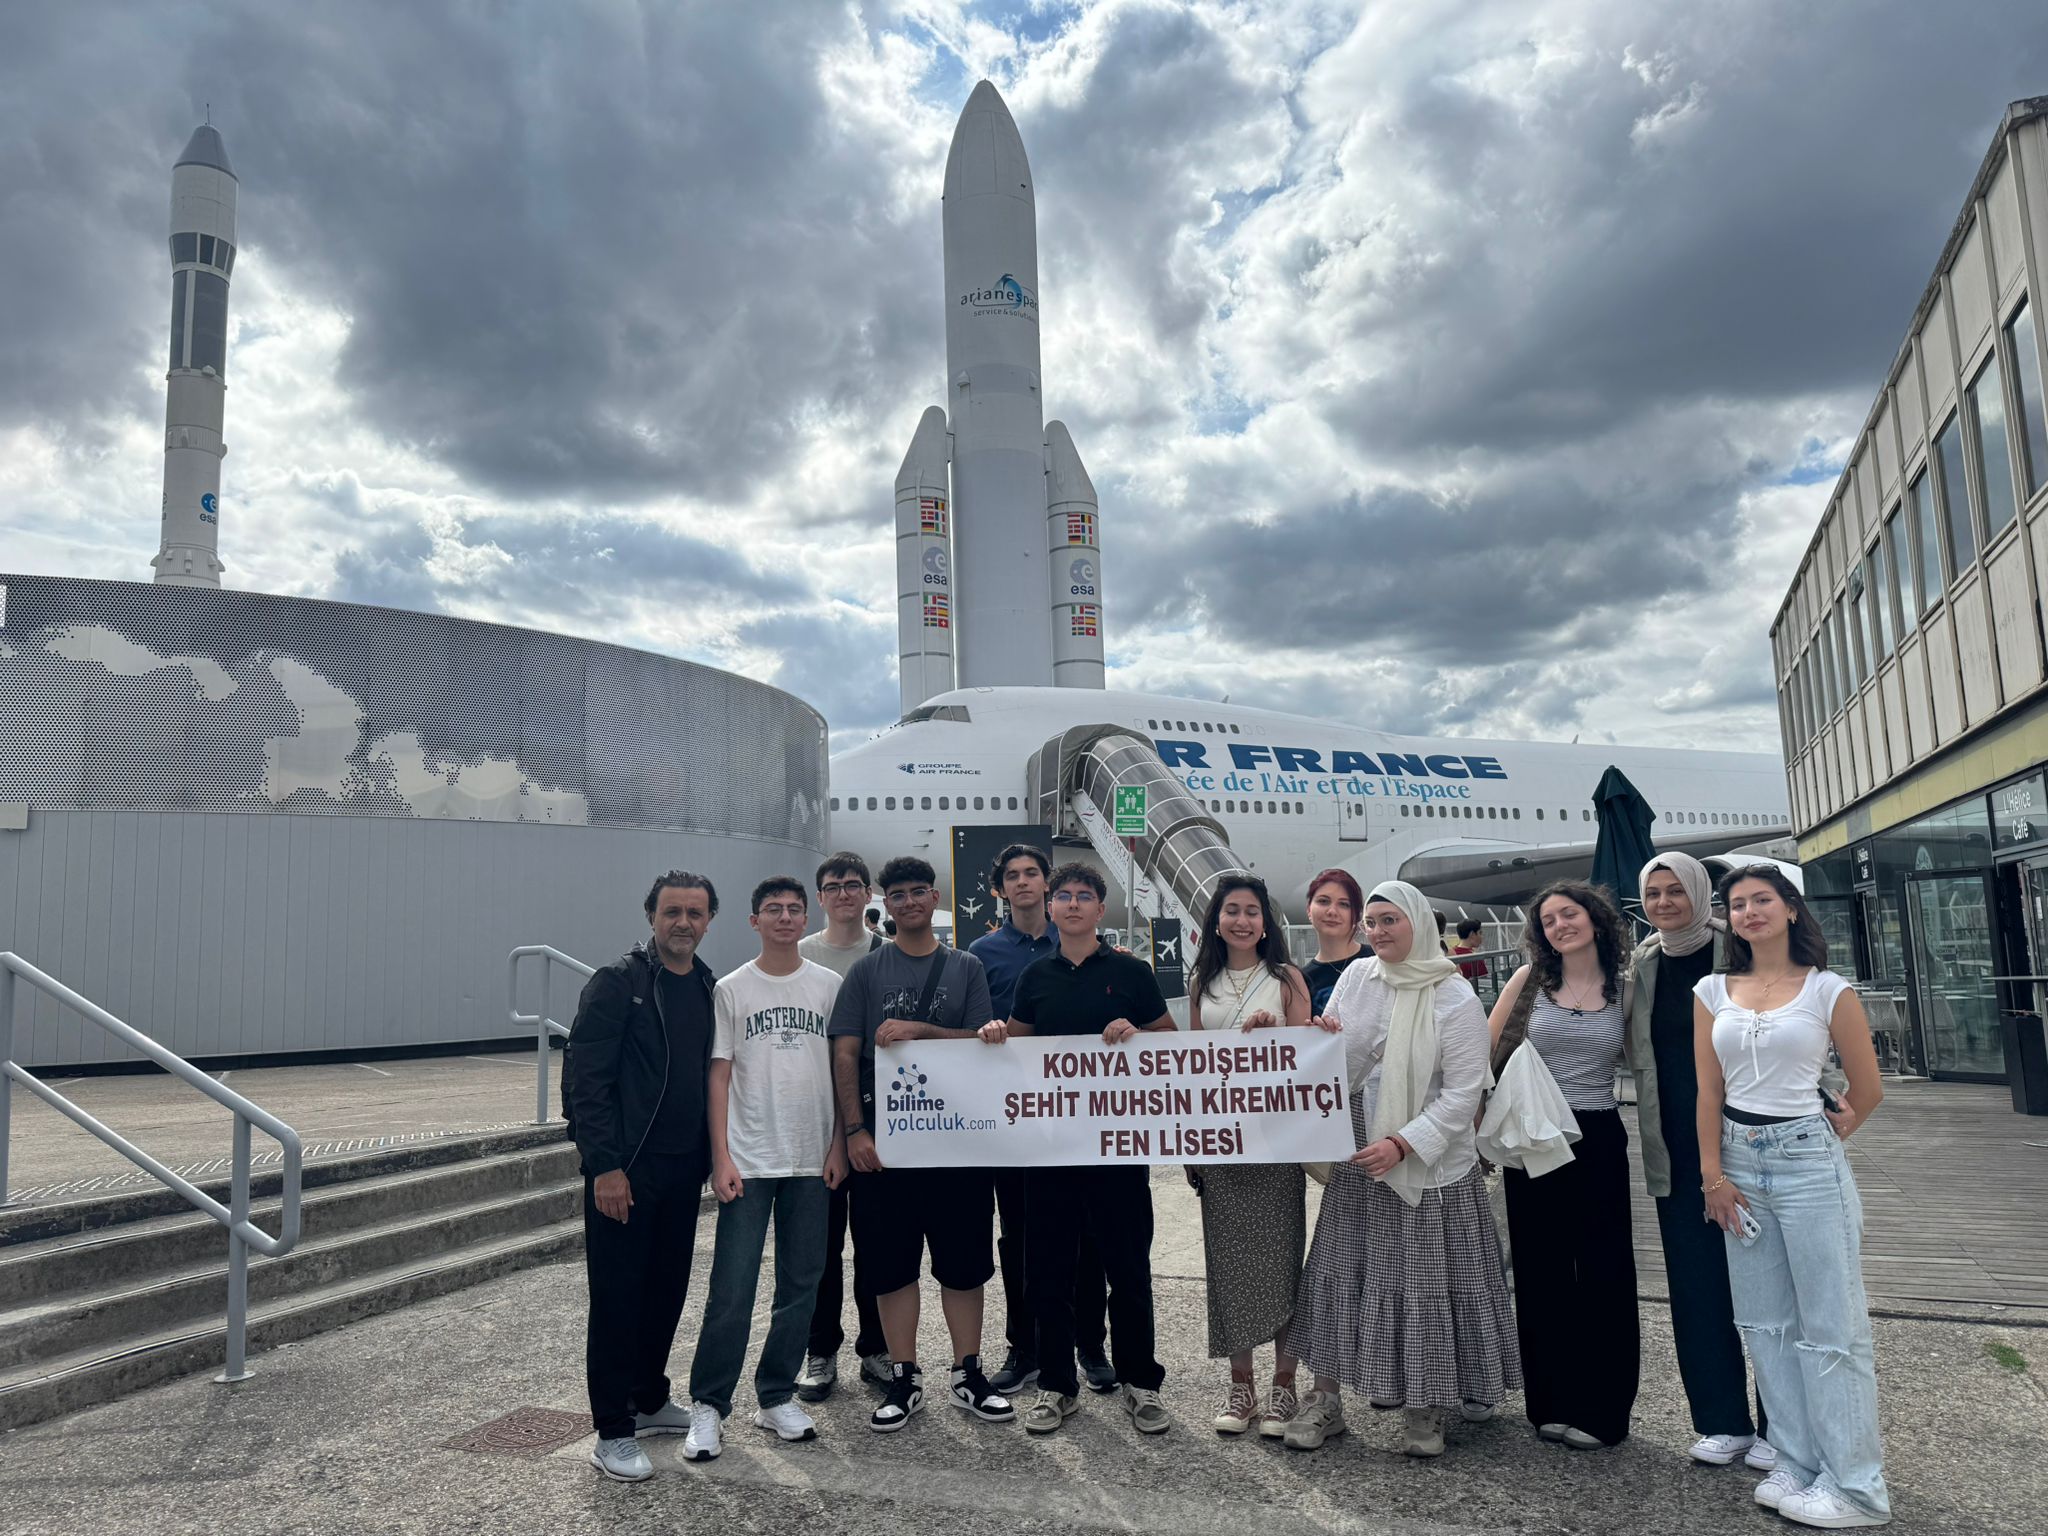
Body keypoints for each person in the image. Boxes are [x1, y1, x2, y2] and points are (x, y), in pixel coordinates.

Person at [1288, 880, 1520, 1457]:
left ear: (1417, 922)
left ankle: (1426, 1406)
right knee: (1342, 1276)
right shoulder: (1355, 979)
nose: (1378, 931)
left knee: (1423, 1285)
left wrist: (1406, 1143)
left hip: (1429, 1162)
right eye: (1371, 922)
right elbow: (1337, 1061)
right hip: (1362, 1153)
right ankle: (1326, 1400)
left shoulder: (1453, 996)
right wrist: (1320, 1039)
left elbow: (1465, 1092)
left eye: (1390, 920)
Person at [1696, 866, 1890, 1528]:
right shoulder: (1712, 989)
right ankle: (1799, 1464)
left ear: (1789, 911)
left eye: (1761, 901)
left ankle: (1856, 1488)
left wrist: (1838, 1127)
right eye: (1737, 904)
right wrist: (1713, 1178)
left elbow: (1867, 1088)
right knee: (1766, 1325)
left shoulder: (1829, 991)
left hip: (1807, 1163)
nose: (1748, 911)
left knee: (1832, 1330)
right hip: (1739, 1166)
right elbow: (1708, 1092)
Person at [978, 862, 1175, 1437]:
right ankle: (1058, 1387)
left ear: (1100, 908)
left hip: (1118, 1149)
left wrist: (1135, 1034)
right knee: (1049, 1271)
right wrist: (994, 1034)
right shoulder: (1035, 976)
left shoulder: (1132, 973)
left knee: (1128, 1270)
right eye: (1062, 895)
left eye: (1083, 896)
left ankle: (1141, 1382)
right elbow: (1017, 1047)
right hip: (1051, 1149)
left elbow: (1168, 1040)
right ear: (1053, 905)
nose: (1070, 904)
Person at [828, 856, 1013, 1432]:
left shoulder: (966, 967)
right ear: (886, 903)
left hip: (956, 1146)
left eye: (918, 892)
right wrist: (855, 1131)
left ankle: (968, 1372)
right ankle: (904, 1375)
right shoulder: (865, 972)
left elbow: (982, 1043)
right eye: (898, 894)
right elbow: (844, 1054)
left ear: (935, 899)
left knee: (964, 1267)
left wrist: (922, 1030)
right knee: (891, 1267)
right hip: (885, 1148)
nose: (908, 902)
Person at [682, 878, 848, 1460]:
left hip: (811, 1159)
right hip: (749, 1160)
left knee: (801, 1284)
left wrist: (837, 1147)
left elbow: (839, 1070)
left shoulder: (829, 986)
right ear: (753, 921)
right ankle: (708, 1403)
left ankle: (776, 1393)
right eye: (772, 910)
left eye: (793, 909)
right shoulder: (731, 989)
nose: (784, 917)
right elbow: (718, 1074)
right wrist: (720, 1155)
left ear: (806, 918)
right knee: (732, 1287)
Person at [567, 871, 720, 1483]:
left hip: (683, 1170)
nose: (683, 922)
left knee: (666, 1290)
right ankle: (612, 1430)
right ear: (651, 916)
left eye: (695, 912)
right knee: (618, 1298)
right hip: (625, 1172)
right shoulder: (619, 984)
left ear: (710, 920)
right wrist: (604, 1166)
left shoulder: (708, 984)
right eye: (672, 911)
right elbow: (585, 1082)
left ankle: (650, 1397)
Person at [1624, 853, 1774, 1472]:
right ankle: (1720, 1420)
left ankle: (1780, 1425)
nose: (1663, 903)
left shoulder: (1739, 951)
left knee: (1765, 1291)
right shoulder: (1643, 965)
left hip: (1746, 1143)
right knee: (1695, 1288)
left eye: (1674, 891)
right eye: (1652, 893)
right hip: (1675, 1150)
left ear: (1698, 892)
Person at [1487, 880, 1639, 1450]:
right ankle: (1548, 1401)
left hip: (1596, 1132)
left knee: (1604, 1272)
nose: (1559, 926)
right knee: (1541, 1269)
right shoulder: (1529, 982)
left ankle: (1604, 1410)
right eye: (1548, 921)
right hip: (1534, 1136)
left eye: (1568, 914)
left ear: (1595, 920)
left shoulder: (1626, 988)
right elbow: (1485, 1045)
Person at [969, 844, 1116, 1397]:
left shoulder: (1081, 943)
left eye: (1034, 873)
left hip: (1085, 1113)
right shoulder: (981, 953)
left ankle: (1091, 1344)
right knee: (1022, 1238)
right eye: (1014, 876)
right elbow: (978, 1028)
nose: (1025, 882)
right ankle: (1024, 1346)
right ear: (1000, 889)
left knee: (1089, 1235)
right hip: (1017, 1116)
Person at [1187, 875, 1313, 1438]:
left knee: (1283, 1260)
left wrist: (1279, 1030)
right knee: (1229, 1262)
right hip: (1219, 1142)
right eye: (1232, 910)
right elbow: (1188, 1066)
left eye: (1252, 911)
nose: (1242, 920)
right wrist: (1190, 1142)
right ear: (1217, 920)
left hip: (1276, 1139)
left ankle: (1284, 1386)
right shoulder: (1202, 983)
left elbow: (1310, 1052)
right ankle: (1243, 1386)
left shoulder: (1286, 978)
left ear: (1267, 922)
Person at [795, 853, 887, 1402]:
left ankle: (875, 1348)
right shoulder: (799, 952)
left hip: (873, 1120)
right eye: (834, 886)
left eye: (854, 885)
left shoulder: (885, 953)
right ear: (821, 896)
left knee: (876, 1242)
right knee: (819, 1248)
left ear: (868, 892)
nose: (845, 894)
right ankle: (820, 1349)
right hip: (813, 1122)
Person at [1300, 869, 1367, 1014]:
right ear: (1308, 910)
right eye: (1323, 901)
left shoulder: (1376, 960)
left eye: (1344, 904)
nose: (1332, 911)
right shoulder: (1301, 980)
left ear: (1357, 914)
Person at [1449, 918, 1488, 983]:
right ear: (1472, 934)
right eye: (1480, 933)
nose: (1481, 936)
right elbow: (1484, 983)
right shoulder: (1476, 959)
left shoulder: (1450, 954)